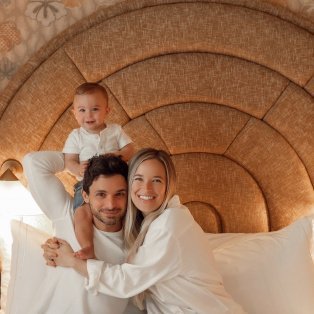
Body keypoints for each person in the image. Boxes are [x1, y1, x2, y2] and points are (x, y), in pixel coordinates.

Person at [48, 148, 245, 313]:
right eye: (139, 179)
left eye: (157, 180)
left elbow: (126, 281)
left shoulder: (171, 226)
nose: (146, 188)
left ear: (169, 185)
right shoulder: (147, 223)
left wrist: (72, 261)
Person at [22, 151, 143, 313]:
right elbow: (33, 162)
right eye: (101, 194)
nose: (110, 204)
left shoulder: (138, 242)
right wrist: (71, 162)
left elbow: (134, 301)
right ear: (85, 196)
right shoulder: (66, 216)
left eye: (119, 194)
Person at [63, 82, 134, 259]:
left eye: (95, 109)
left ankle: (134, 242)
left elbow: (130, 149)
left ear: (107, 111)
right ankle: (87, 246)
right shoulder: (76, 136)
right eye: (82, 110)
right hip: (85, 183)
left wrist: (119, 154)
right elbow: (69, 161)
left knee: (131, 209)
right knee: (81, 213)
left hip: (119, 181)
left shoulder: (115, 131)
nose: (88, 115)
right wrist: (78, 168)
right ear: (74, 112)